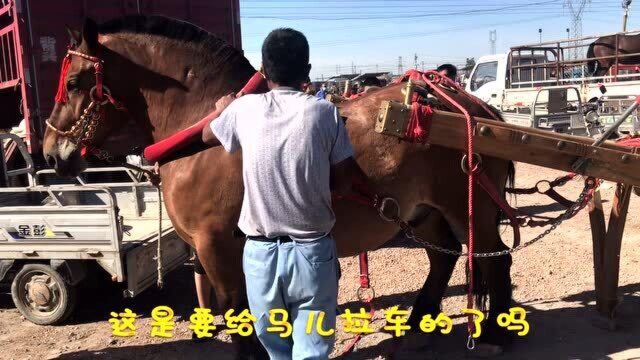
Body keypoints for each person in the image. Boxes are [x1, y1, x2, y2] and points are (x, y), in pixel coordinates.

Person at [202, 28, 356, 359]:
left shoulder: (243, 111)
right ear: (308, 70)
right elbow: (344, 182)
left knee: (275, 349)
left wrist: (223, 108)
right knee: (312, 349)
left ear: (264, 71)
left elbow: (204, 135)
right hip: (312, 254)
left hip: (260, 257)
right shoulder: (325, 112)